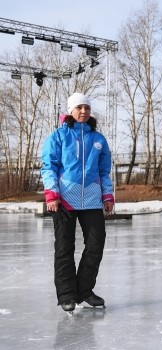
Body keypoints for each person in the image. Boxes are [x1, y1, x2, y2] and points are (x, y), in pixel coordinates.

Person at [41, 92, 115, 312]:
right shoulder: (58, 136)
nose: (84, 111)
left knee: (96, 244)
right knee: (64, 248)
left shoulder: (98, 139)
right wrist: (52, 194)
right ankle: (66, 295)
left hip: (92, 199)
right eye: (79, 107)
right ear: (71, 111)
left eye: (87, 108)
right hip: (64, 200)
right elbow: (49, 167)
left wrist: (107, 196)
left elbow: (104, 171)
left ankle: (84, 291)